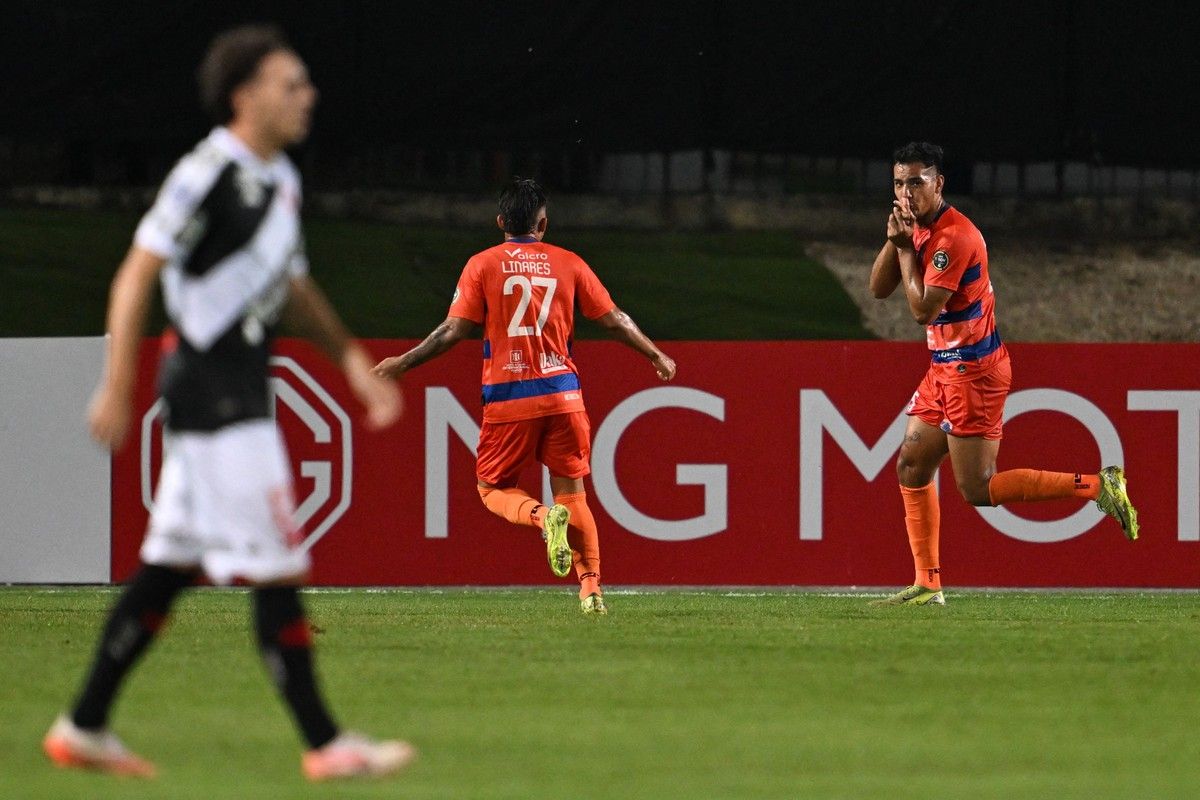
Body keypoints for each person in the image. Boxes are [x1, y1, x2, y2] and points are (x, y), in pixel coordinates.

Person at [42, 25, 415, 780]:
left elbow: (292, 286)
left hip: (234, 391)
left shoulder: (279, 180)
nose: (307, 96)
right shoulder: (207, 170)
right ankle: (325, 743)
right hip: (215, 394)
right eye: (292, 83)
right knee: (278, 565)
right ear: (245, 97)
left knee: (168, 568)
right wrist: (119, 380)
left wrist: (348, 356)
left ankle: (83, 726)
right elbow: (136, 272)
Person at [373, 177, 676, 614]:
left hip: (510, 398)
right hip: (564, 396)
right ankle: (591, 590)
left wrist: (402, 362)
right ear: (543, 223)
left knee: (491, 488)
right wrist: (655, 353)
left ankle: (539, 517)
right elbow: (614, 319)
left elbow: (452, 330)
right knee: (573, 495)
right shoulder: (568, 262)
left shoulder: (482, 264)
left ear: (500, 222)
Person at [867, 141, 1138, 606]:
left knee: (978, 489)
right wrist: (897, 241)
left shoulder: (953, 238)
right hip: (944, 368)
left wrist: (906, 250)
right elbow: (877, 289)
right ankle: (927, 584)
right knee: (911, 466)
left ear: (940, 183)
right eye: (899, 183)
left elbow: (920, 310)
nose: (907, 192)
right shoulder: (918, 231)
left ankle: (1098, 485)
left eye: (917, 181)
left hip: (973, 374)